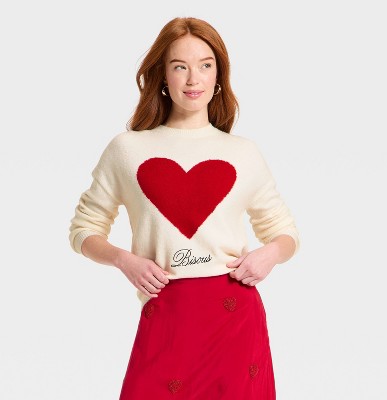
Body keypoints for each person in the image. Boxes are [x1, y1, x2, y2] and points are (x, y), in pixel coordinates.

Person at [69, 16, 300, 400]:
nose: (194, 79)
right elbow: (84, 229)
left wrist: (270, 255)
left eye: (205, 65)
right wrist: (124, 260)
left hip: (234, 317)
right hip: (166, 316)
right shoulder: (127, 150)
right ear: (162, 75)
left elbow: (285, 231)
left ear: (218, 75)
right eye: (180, 67)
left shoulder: (243, 153)